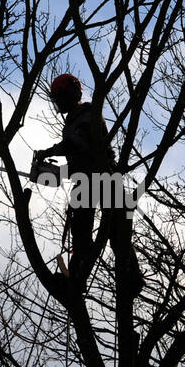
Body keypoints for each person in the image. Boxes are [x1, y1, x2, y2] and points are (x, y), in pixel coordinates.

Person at [34, 74, 143, 295]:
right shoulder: (74, 118)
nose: (58, 103)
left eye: (60, 98)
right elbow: (79, 157)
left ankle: (130, 279)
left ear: (70, 95)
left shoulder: (87, 115)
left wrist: (51, 151)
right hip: (87, 179)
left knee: (117, 232)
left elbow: (77, 145)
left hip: (104, 177)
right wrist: (56, 170)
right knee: (81, 233)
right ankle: (76, 278)